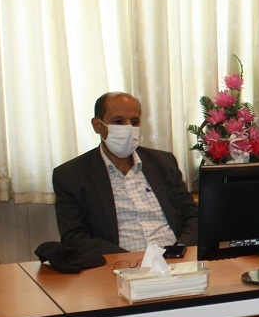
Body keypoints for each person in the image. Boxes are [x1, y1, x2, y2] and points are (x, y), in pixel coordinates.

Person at [53, 92, 197, 255]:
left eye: (134, 122)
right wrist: (125, 259)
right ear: (97, 125)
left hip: (175, 259)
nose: (128, 128)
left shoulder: (164, 162)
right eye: (118, 122)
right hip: (119, 263)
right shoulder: (71, 175)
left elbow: (193, 216)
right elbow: (74, 236)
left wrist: (181, 249)